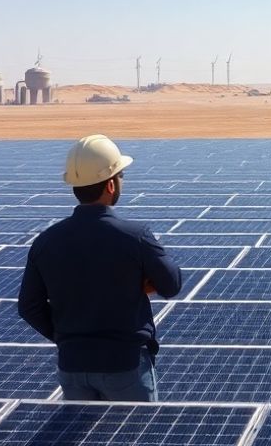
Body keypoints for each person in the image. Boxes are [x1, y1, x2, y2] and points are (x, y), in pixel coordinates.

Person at [18, 134, 183, 401]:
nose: (121, 181)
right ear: (109, 185)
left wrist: (69, 339)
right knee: (135, 436)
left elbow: (28, 306)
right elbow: (172, 284)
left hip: (72, 367)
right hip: (124, 366)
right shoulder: (135, 236)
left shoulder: (46, 241)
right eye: (121, 176)